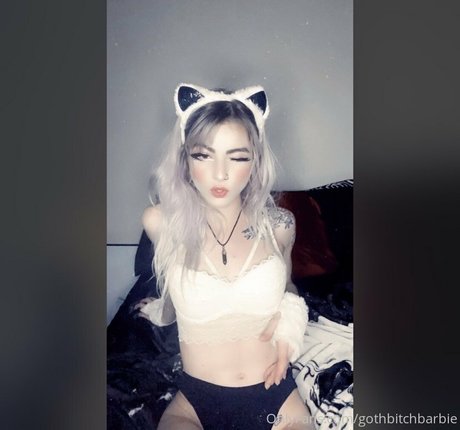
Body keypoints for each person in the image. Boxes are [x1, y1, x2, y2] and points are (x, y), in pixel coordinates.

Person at [137, 83, 312, 429]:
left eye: (238, 157)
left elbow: (288, 288)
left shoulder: (280, 225)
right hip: (196, 403)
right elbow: (175, 286)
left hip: (277, 395)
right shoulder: (161, 223)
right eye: (203, 155)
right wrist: (161, 310)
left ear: (255, 160)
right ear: (185, 158)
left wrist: (290, 330)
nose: (220, 174)